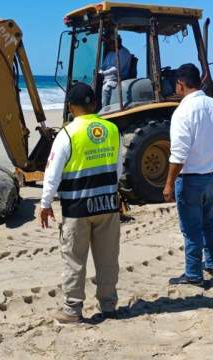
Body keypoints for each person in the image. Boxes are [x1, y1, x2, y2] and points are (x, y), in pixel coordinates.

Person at [39, 83, 123, 324]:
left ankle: (72, 309)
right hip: (107, 204)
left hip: (77, 208)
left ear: (70, 107)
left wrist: (45, 204)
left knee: (74, 259)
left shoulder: (67, 134)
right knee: (108, 259)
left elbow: (52, 173)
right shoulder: (112, 129)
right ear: (94, 104)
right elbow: (117, 169)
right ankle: (108, 306)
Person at [163, 64, 213, 287]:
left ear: (181, 84)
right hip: (212, 176)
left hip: (191, 178)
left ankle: (193, 273)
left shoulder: (182, 112)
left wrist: (168, 184)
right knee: (209, 222)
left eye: (177, 85)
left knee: (191, 228)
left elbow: (178, 154)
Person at [98, 35, 133, 108]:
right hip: (106, 78)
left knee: (106, 88)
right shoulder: (110, 54)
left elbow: (117, 69)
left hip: (117, 78)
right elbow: (103, 66)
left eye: (110, 43)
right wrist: (100, 71)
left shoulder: (124, 53)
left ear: (117, 43)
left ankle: (104, 109)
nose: (109, 45)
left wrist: (104, 73)